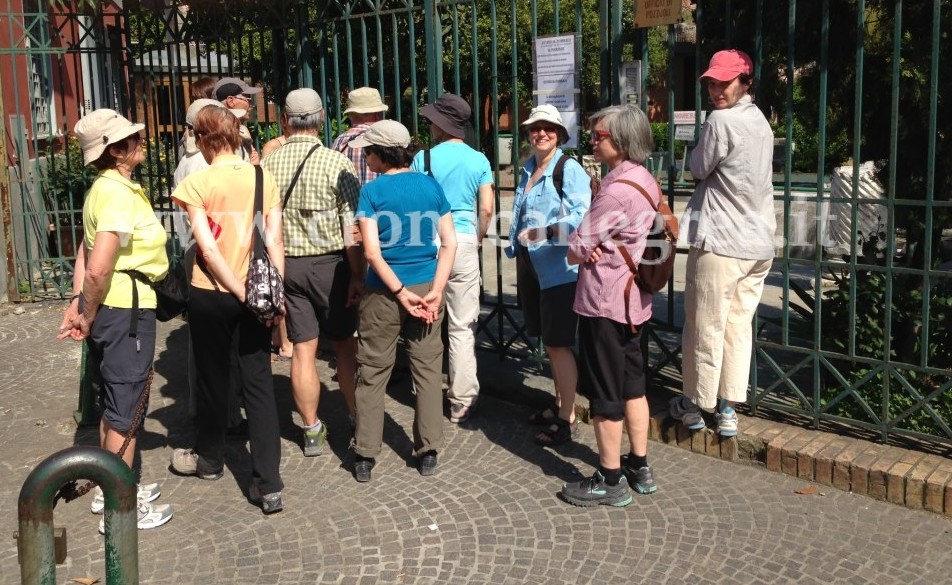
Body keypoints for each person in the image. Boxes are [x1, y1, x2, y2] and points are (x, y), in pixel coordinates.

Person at [59, 109, 173, 533]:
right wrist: (85, 312)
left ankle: (116, 487)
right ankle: (119, 511)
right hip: (124, 311)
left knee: (114, 401)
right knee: (126, 409)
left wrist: (79, 304)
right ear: (116, 149)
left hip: (118, 307)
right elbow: (97, 266)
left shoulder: (107, 189)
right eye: (133, 137)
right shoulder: (117, 194)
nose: (141, 141)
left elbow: (86, 255)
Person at [169, 105, 286, 514]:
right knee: (258, 383)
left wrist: (239, 291)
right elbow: (274, 242)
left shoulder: (196, 184)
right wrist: (272, 294)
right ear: (235, 135)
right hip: (257, 292)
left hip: (213, 293)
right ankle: (268, 484)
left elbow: (207, 248)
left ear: (202, 140)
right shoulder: (262, 176)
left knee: (213, 378)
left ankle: (211, 461)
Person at [670, 49, 777, 437]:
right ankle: (729, 408)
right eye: (713, 82)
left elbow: (699, 167)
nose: (717, 90)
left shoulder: (720, 120)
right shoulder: (760, 120)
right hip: (758, 243)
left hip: (722, 241)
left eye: (725, 82)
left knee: (705, 326)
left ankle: (696, 405)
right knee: (737, 327)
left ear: (745, 81)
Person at [561, 104, 660, 507]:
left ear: (620, 141)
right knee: (633, 385)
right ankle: (639, 465)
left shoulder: (616, 191)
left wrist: (590, 244)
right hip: (636, 302)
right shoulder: (643, 179)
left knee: (605, 393)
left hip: (606, 302)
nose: (593, 141)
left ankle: (609, 478)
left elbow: (575, 247)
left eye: (599, 136)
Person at [350, 119, 456, 482]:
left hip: (384, 291)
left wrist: (398, 292)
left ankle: (365, 452)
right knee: (427, 370)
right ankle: (428, 448)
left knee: (373, 370)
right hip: (427, 285)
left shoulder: (372, 193)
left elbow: (372, 253)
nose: (365, 157)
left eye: (368, 151)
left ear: (380, 155)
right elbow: (449, 243)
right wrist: (437, 290)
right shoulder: (431, 186)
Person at [260, 88, 363, 453]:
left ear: (285, 120)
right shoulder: (337, 163)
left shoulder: (267, 165)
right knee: (345, 348)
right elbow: (350, 227)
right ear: (322, 119)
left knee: (302, 349)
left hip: (286, 263)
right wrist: (356, 274)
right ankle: (355, 418)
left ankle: (311, 428)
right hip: (330, 265)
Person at [505, 104, 591, 446]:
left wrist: (543, 234)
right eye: (535, 128)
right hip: (531, 265)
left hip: (560, 270)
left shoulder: (568, 169)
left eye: (548, 128)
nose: (541, 133)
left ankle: (566, 418)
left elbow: (581, 218)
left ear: (560, 134)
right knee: (549, 343)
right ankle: (559, 404)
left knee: (558, 344)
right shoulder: (529, 169)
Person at [411, 93, 493, 424]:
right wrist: (479, 234)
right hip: (464, 239)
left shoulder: (423, 158)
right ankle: (462, 399)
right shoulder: (479, 160)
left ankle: (425, 391)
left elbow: (415, 203)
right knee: (462, 324)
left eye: (431, 120)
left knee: (427, 320)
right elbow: (486, 208)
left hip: (431, 241)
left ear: (440, 124)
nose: (429, 126)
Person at [332, 86, 389, 184]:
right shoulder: (383, 139)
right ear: (377, 114)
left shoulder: (339, 141)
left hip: (349, 199)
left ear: (350, 115)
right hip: (378, 198)